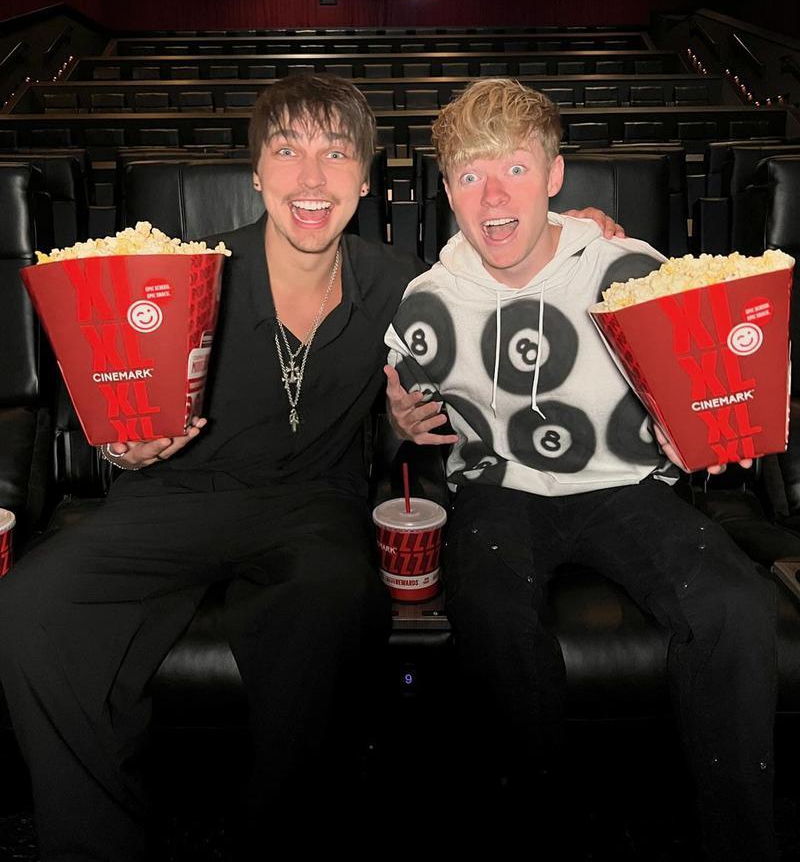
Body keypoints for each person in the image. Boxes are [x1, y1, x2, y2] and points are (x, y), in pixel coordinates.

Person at [0, 73, 621, 861]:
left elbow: (499, 280)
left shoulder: (401, 285)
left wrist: (579, 232)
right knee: (28, 608)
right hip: (172, 496)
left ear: (366, 178)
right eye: (287, 151)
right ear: (256, 172)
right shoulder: (191, 274)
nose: (312, 178)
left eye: (337, 153)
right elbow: (117, 398)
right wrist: (123, 443)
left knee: (335, 605)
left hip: (309, 507)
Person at [384, 79, 777, 861]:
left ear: (556, 175)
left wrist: (709, 429)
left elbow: (714, 387)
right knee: (492, 619)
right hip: (496, 493)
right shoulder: (424, 301)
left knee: (736, 607)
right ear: (448, 192)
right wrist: (400, 421)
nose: (493, 195)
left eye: (515, 169)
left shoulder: (627, 266)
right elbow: (403, 406)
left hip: (624, 488)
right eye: (469, 176)